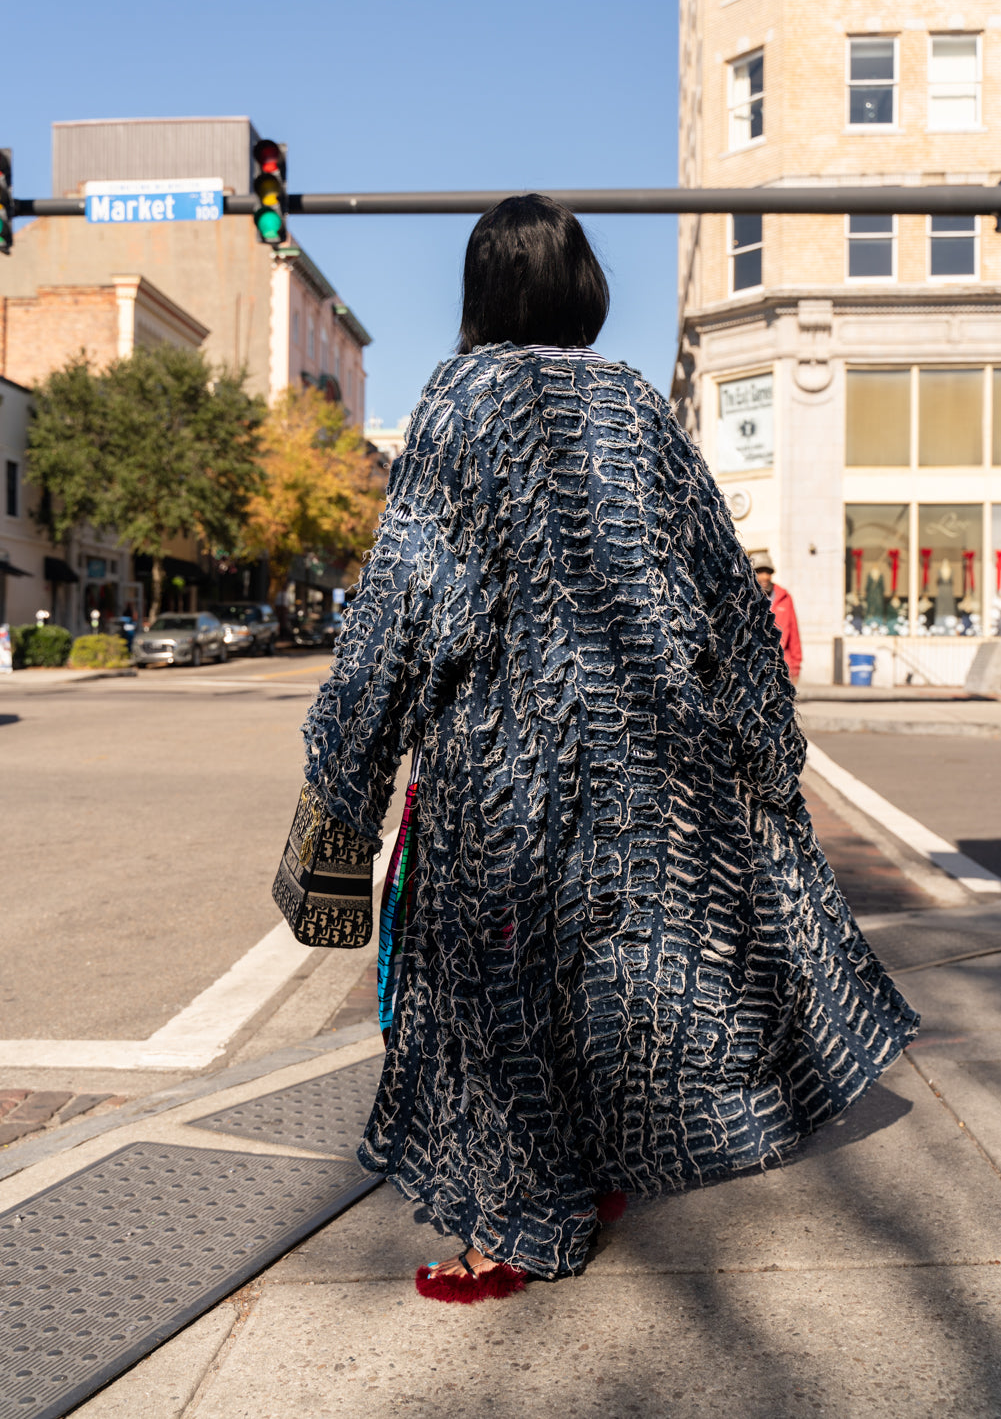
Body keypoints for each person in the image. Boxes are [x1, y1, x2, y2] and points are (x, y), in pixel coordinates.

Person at [299, 195, 918, 1302]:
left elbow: (397, 611)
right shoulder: (636, 405)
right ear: (582, 286)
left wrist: (342, 783)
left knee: (496, 1001)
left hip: (502, 767)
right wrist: (769, 765)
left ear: (481, 291)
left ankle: (516, 1233)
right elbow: (729, 601)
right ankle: (593, 1173)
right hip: (650, 778)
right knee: (611, 982)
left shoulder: (459, 403)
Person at [750, 550, 802, 683]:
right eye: (759, 572)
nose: (764, 577)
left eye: (768, 572)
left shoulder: (784, 597)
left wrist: (796, 666)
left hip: (781, 665)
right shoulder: (746, 599)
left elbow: (793, 633)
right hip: (754, 666)